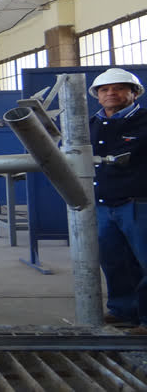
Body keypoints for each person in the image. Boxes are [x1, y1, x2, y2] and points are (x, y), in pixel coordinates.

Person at [88, 67, 147, 336]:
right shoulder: (91, 124)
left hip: (139, 203)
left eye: (119, 88)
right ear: (97, 96)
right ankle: (123, 310)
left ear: (134, 93)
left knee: (145, 261)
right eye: (104, 90)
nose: (111, 93)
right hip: (103, 203)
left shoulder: (144, 120)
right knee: (114, 261)